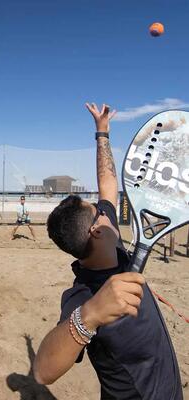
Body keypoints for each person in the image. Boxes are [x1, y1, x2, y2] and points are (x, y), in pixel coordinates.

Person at [33, 103, 182, 399]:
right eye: (99, 212)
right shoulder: (82, 296)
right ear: (96, 232)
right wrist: (90, 316)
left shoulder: (109, 242)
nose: (105, 208)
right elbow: (42, 370)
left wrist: (102, 133)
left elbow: (108, 185)